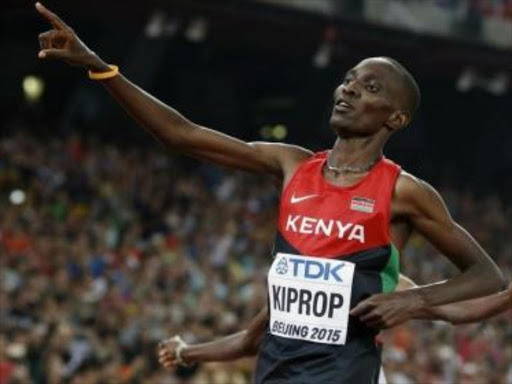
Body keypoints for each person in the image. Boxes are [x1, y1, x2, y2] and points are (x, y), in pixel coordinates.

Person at [35, 3, 506, 383]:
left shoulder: (403, 192)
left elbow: (485, 278)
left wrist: (415, 301)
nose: (348, 90)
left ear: (395, 118)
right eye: (347, 81)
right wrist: (99, 67)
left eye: (369, 87)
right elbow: (182, 135)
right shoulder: (292, 164)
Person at [156, 276, 512, 381]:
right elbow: (251, 340)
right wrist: (187, 353)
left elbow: (459, 309)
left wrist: (188, 352)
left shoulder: (377, 282)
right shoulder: (294, 275)